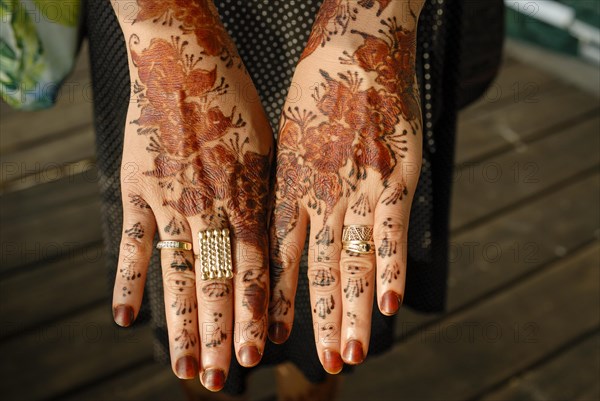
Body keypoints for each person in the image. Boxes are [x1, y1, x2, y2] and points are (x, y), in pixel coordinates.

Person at [82, 0, 503, 399]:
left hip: (373, 27)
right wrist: (168, 30)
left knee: (334, 261)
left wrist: (367, 24)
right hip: (156, 35)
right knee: (193, 265)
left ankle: (309, 378)